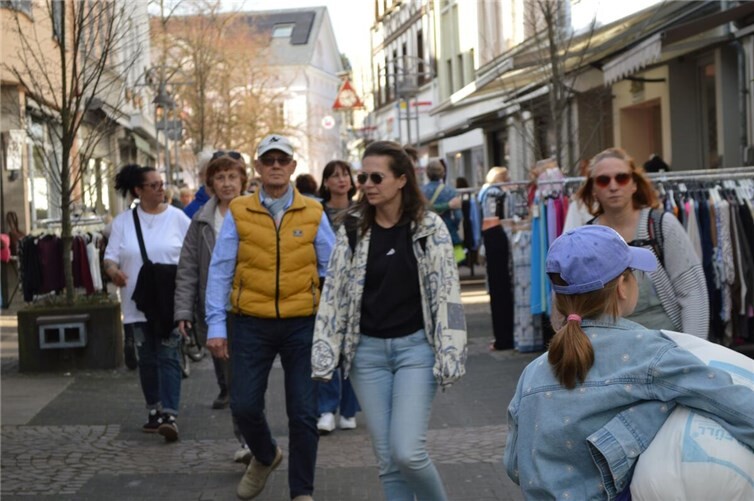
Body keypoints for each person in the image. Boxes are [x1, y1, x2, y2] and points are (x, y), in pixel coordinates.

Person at [504, 225, 754, 500]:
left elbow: (514, 464)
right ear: (622, 287)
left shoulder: (532, 373)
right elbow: (735, 404)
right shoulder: (651, 353)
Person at [312, 141, 467, 501]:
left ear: (401, 179)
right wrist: (325, 351)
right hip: (366, 355)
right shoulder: (352, 228)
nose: (367, 184)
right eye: (363, 177)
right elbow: (333, 293)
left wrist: (452, 351)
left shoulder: (429, 227)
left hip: (416, 351)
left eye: (376, 177)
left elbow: (448, 294)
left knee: (408, 453)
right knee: (388, 462)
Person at [205, 134, 335, 501]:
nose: (276, 166)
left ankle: (302, 492)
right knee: (244, 405)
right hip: (250, 321)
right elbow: (220, 269)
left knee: (304, 412)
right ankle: (265, 455)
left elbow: (332, 269)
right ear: (258, 167)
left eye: (282, 160)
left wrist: (333, 323)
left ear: (293, 166)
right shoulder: (239, 210)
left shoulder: (314, 211)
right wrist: (216, 325)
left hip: (302, 323)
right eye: (269, 160)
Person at [577, 147, 709, 338]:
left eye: (621, 178)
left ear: (634, 184)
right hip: (611, 346)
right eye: (603, 180)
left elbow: (692, 292)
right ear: (593, 189)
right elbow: (573, 303)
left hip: (667, 344)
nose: (613, 186)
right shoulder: (586, 238)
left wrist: (691, 350)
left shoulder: (661, 226)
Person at [103, 164, 190, 442]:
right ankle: (154, 409)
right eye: (154, 185)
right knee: (148, 358)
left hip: (169, 301)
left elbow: (192, 256)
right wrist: (113, 272)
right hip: (136, 302)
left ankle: (170, 415)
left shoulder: (178, 218)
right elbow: (110, 257)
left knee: (168, 355)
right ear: (138, 190)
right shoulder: (123, 222)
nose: (161, 189)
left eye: (161, 184)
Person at [173, 152, 251, 461]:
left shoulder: (257, 213)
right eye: (220, 178)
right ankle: (247, 440)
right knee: (233, 383)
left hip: (253, 309)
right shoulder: (201, 220)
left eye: (232, 177)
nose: (227, 183)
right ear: (210, 184)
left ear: (243, 180)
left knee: (249, 381)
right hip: (217, 312)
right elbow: (188, 267)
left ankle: (252, 440)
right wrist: (183, 311)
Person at [314, 160, 361, 434]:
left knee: (353, 348)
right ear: (326, 182)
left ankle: (349, 409)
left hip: (356, 287)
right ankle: (326, 409)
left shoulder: (362, 211)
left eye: (345, 175)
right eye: (335, 176)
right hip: (324, 286)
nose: (341, 180)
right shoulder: (316, 211)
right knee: (327, 345)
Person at [421, 158, 463, 258]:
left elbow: (420, 210)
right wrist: (454, 226)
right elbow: (458, 216)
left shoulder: (420, 191)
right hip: (448, 230)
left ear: (427, 173)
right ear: (442, 173)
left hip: (427, 231)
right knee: (454, 261)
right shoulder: (450, 191)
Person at [184, 149, 214, 218]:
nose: (213, 177)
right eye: (209, 173)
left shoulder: (230, 205)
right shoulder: (190, 211)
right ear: (201, 176)